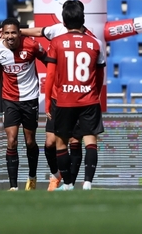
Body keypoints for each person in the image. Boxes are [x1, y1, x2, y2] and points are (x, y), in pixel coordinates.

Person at [20, 20, 95, 190]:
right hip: (56, 97)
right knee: (50, 142)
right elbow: (40, 31)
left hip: (76, 97)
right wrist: (19, 31)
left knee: (75, 141)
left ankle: (70, 185)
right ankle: (56, 174)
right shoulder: (57, 31)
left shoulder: (90, 38)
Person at [44, 0, 106, 191]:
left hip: (64, 101)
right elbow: (100, 75)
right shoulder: (95, 43)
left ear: (63, 22)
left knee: (61, 142)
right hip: (88, 99)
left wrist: (48, 101)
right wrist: (92, 93)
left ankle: (69, 183)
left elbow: (51, 76)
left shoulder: (56, 43)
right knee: (90, 141)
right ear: (83, 19)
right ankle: (87, 183)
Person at [0, 18, 46, 191]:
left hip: (30, 99)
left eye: (14, 32)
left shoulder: (31, 46)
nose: (11, 36)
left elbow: (49, 61)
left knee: (30, 142)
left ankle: (32, 177)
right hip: (10, 100)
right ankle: (13, 186)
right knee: (11, 140)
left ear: (19, 33)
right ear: (2, 34)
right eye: (7, 33)